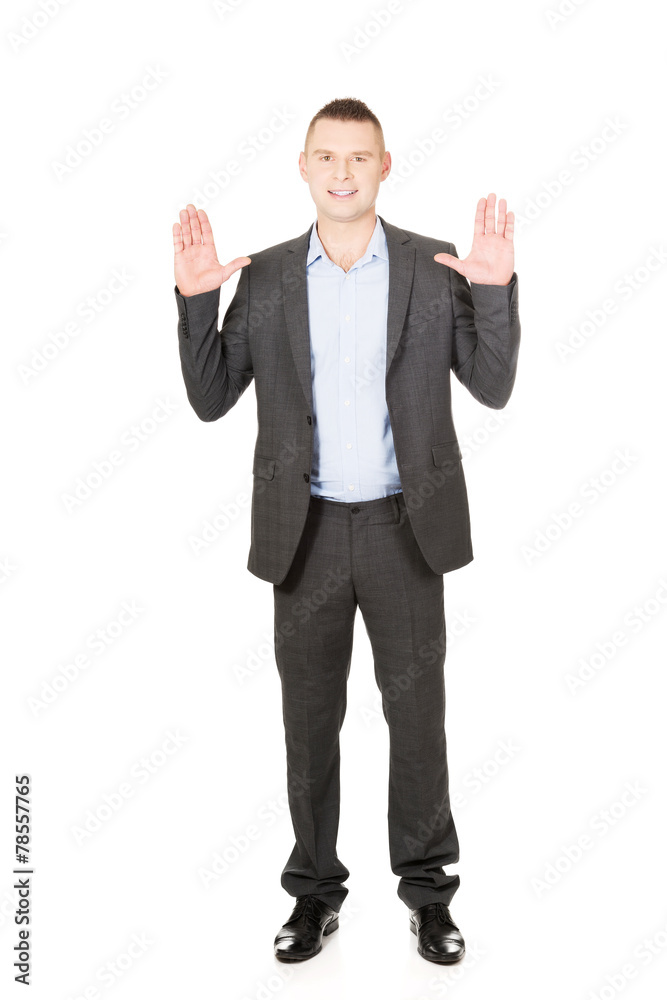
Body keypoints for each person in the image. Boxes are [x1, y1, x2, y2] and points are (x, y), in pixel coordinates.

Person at [172, 97, 520, 964]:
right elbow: (211, 398)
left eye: (358, 157)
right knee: (308, 724)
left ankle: (428, 896)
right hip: (306, 534)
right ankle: (314, 893)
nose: (341, 171)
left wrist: (492, 289)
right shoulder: (268, 277)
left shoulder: (433, 266)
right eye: (326, 156)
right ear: (302, 167)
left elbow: (492, 384)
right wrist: (195, 303)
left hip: (408, 530)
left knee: (418, 720)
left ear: (383, 166)